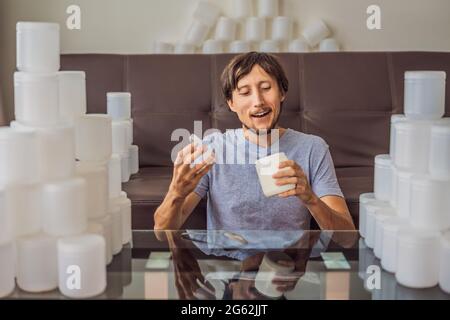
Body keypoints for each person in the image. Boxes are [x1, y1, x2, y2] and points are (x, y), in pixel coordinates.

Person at [154, 52, 355, 231]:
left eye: (266, 88)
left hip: (286, 266)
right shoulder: (212, 149)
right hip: (226, 266)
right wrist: (176, 193)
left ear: (282, 93)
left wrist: (310, 198)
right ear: (231, 103)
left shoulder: (312, 148)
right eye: (244, 92)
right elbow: (161, 231)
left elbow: (346, 236)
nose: (258, 101)